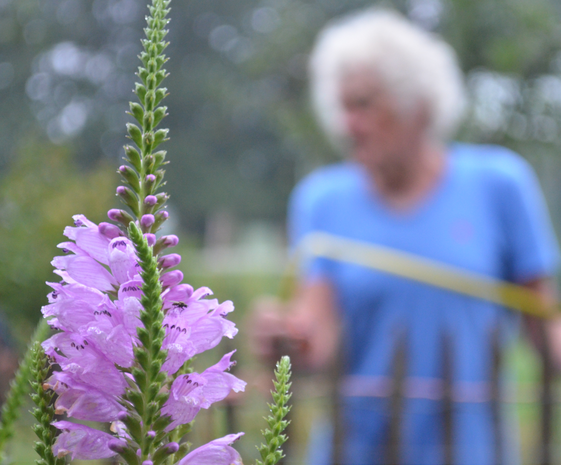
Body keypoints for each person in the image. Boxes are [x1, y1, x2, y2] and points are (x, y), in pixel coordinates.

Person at [250, 8, 561, 465]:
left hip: (472, 451)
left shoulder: (500, 184)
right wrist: (286, 336)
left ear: (417, 105)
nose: (346, 124)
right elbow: (317, 334)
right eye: (342, 106)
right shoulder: (322, 199)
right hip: (352, 452)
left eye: (364, 104)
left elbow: (544, 324)